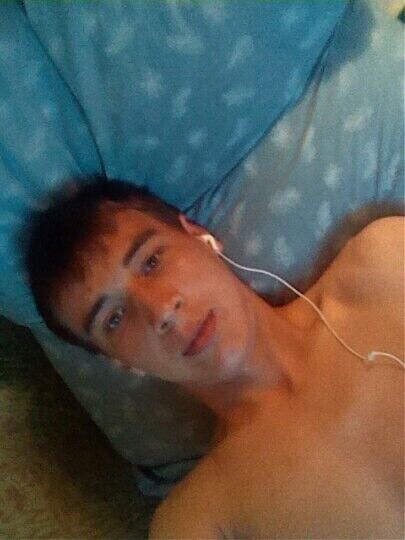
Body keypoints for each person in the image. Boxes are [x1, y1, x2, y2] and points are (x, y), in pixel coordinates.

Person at [26, 177, 404, 539]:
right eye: (114, 318)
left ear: (199, 236)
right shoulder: (199, 521)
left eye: (152, 260)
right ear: (121, 362)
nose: (161, 311)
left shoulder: (383, 260)